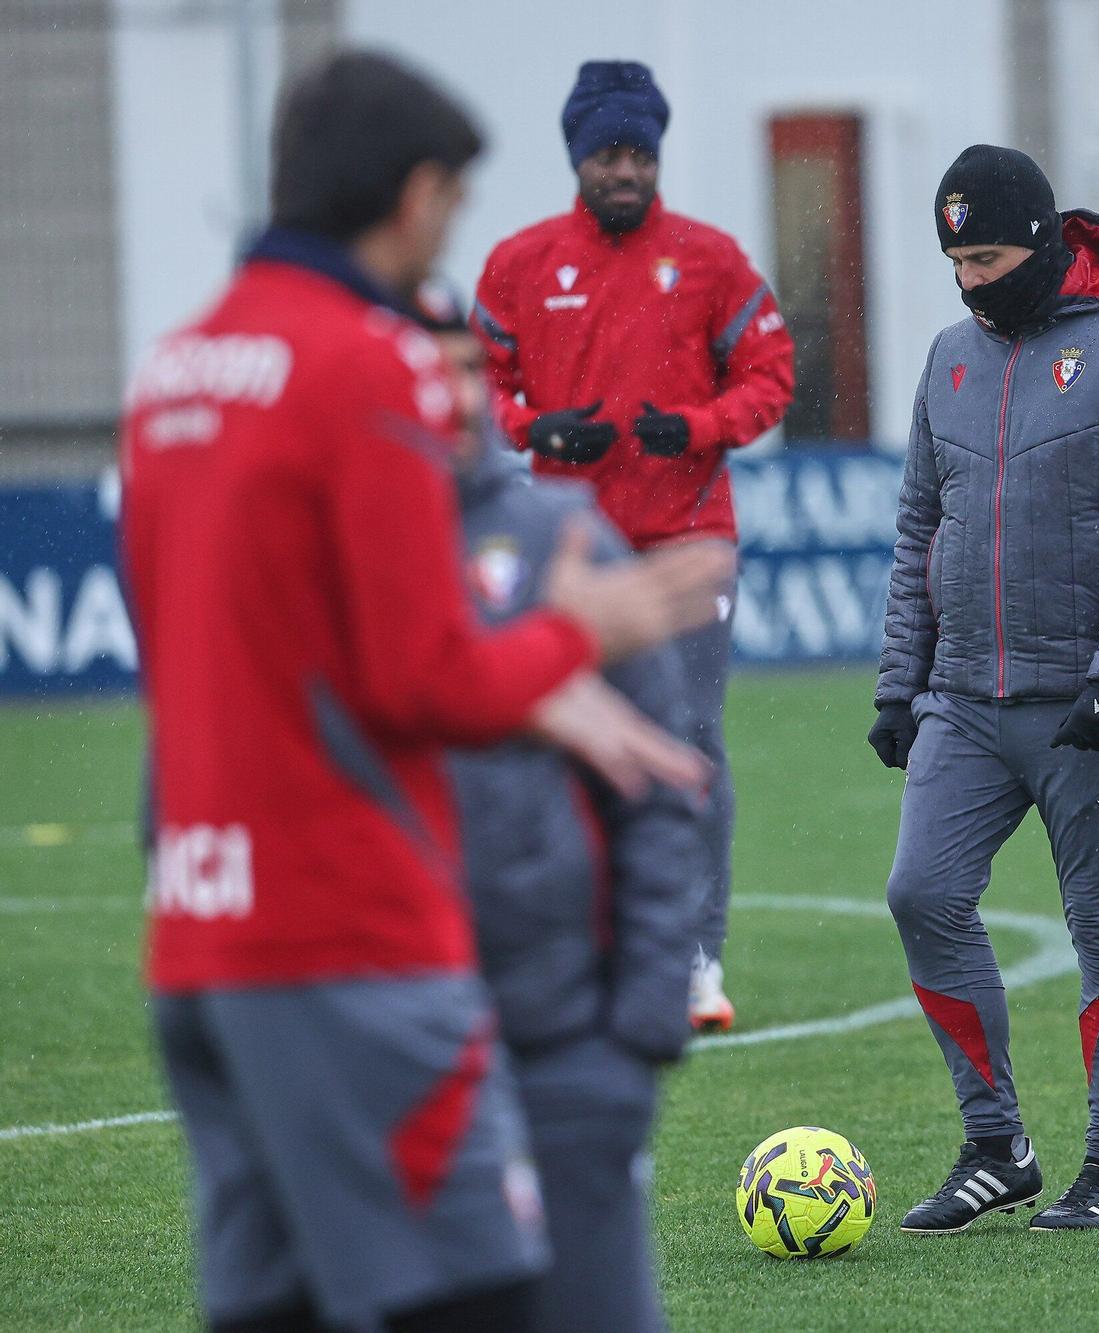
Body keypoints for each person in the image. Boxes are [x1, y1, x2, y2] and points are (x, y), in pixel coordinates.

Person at [123, 52, 727, 1333]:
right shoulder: (363, 366)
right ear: (414, 194)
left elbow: (253, 665)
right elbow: (427, 677)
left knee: (278, 1306)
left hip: (200, 938)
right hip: (355, 941)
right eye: (449, 208)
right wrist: (570, 641)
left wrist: (523, 690)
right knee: (497, 1299)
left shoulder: (178, 369)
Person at [870, 145, 1099, 1234]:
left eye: (985, 256)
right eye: (954, 260)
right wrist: (897, 685)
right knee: (921, 893)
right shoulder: (944, 362)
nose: (969, 279)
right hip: (963, 699)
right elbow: (920, 527)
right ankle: (994, 1144)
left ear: (1042, 241)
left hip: (1088, 705)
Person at [473, 60, 796, 1033]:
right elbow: (474, 383)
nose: (625, 170)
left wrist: (698, 426)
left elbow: (772, 374)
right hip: (566, 548)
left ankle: (697, 958)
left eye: (639, 154)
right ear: (579, 158)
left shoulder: (711, 259)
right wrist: (533, 428)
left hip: (687, 544)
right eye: (608, 153)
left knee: (689, 741)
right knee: (562, 742)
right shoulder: (520, 263)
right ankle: (576, 946)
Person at [422, 286, 709, 1333]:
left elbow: (660, 792)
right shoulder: (335, 544)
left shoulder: (560, 536)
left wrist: (633, 1029)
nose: (449, 395)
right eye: (425, 368)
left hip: (560, 1039)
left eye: (466, 368)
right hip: (389, 1040)